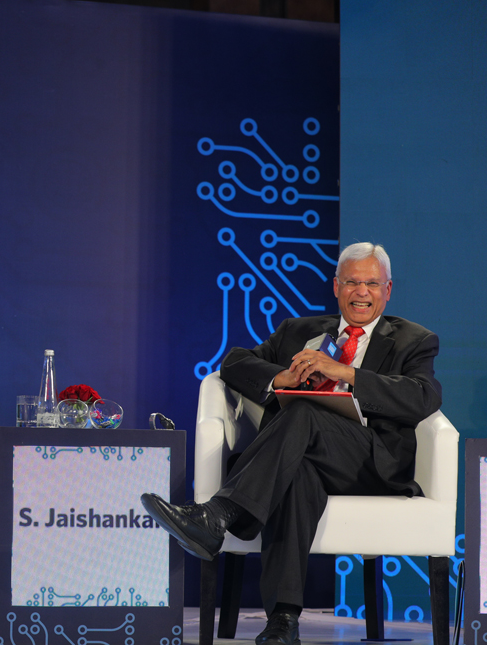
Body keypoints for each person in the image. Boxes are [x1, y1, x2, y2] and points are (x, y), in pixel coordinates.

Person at [141, 242, 441, 645]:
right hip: (300, 454)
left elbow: (422, 396)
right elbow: (234, 362)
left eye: (372, 284)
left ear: (387, 290)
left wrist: (344, 373)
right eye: (352, 282)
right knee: (297, 474)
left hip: (369, 462)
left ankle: (218, 514)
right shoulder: (297, 331)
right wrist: (279, 378)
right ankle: (283, 621)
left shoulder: (413, 340)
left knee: (302, 412)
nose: (361, 292)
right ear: (336, 286)